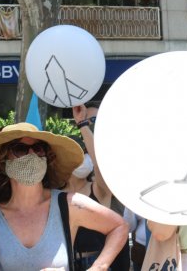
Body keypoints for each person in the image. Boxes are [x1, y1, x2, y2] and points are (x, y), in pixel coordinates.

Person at [0, 122, 129, 270]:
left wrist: (98, 267)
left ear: (46, 156)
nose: (31, 155)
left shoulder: (68, 204)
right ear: (2, 162)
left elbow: (119, 226)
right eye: (20, 149)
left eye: (38, 149)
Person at [66, 104, 131, 270]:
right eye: (76, 156)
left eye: (85, 153)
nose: (83, 159)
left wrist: (83, 126)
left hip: (96, 264)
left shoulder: (98, 190)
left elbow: (100, 164)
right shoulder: (55, 194)